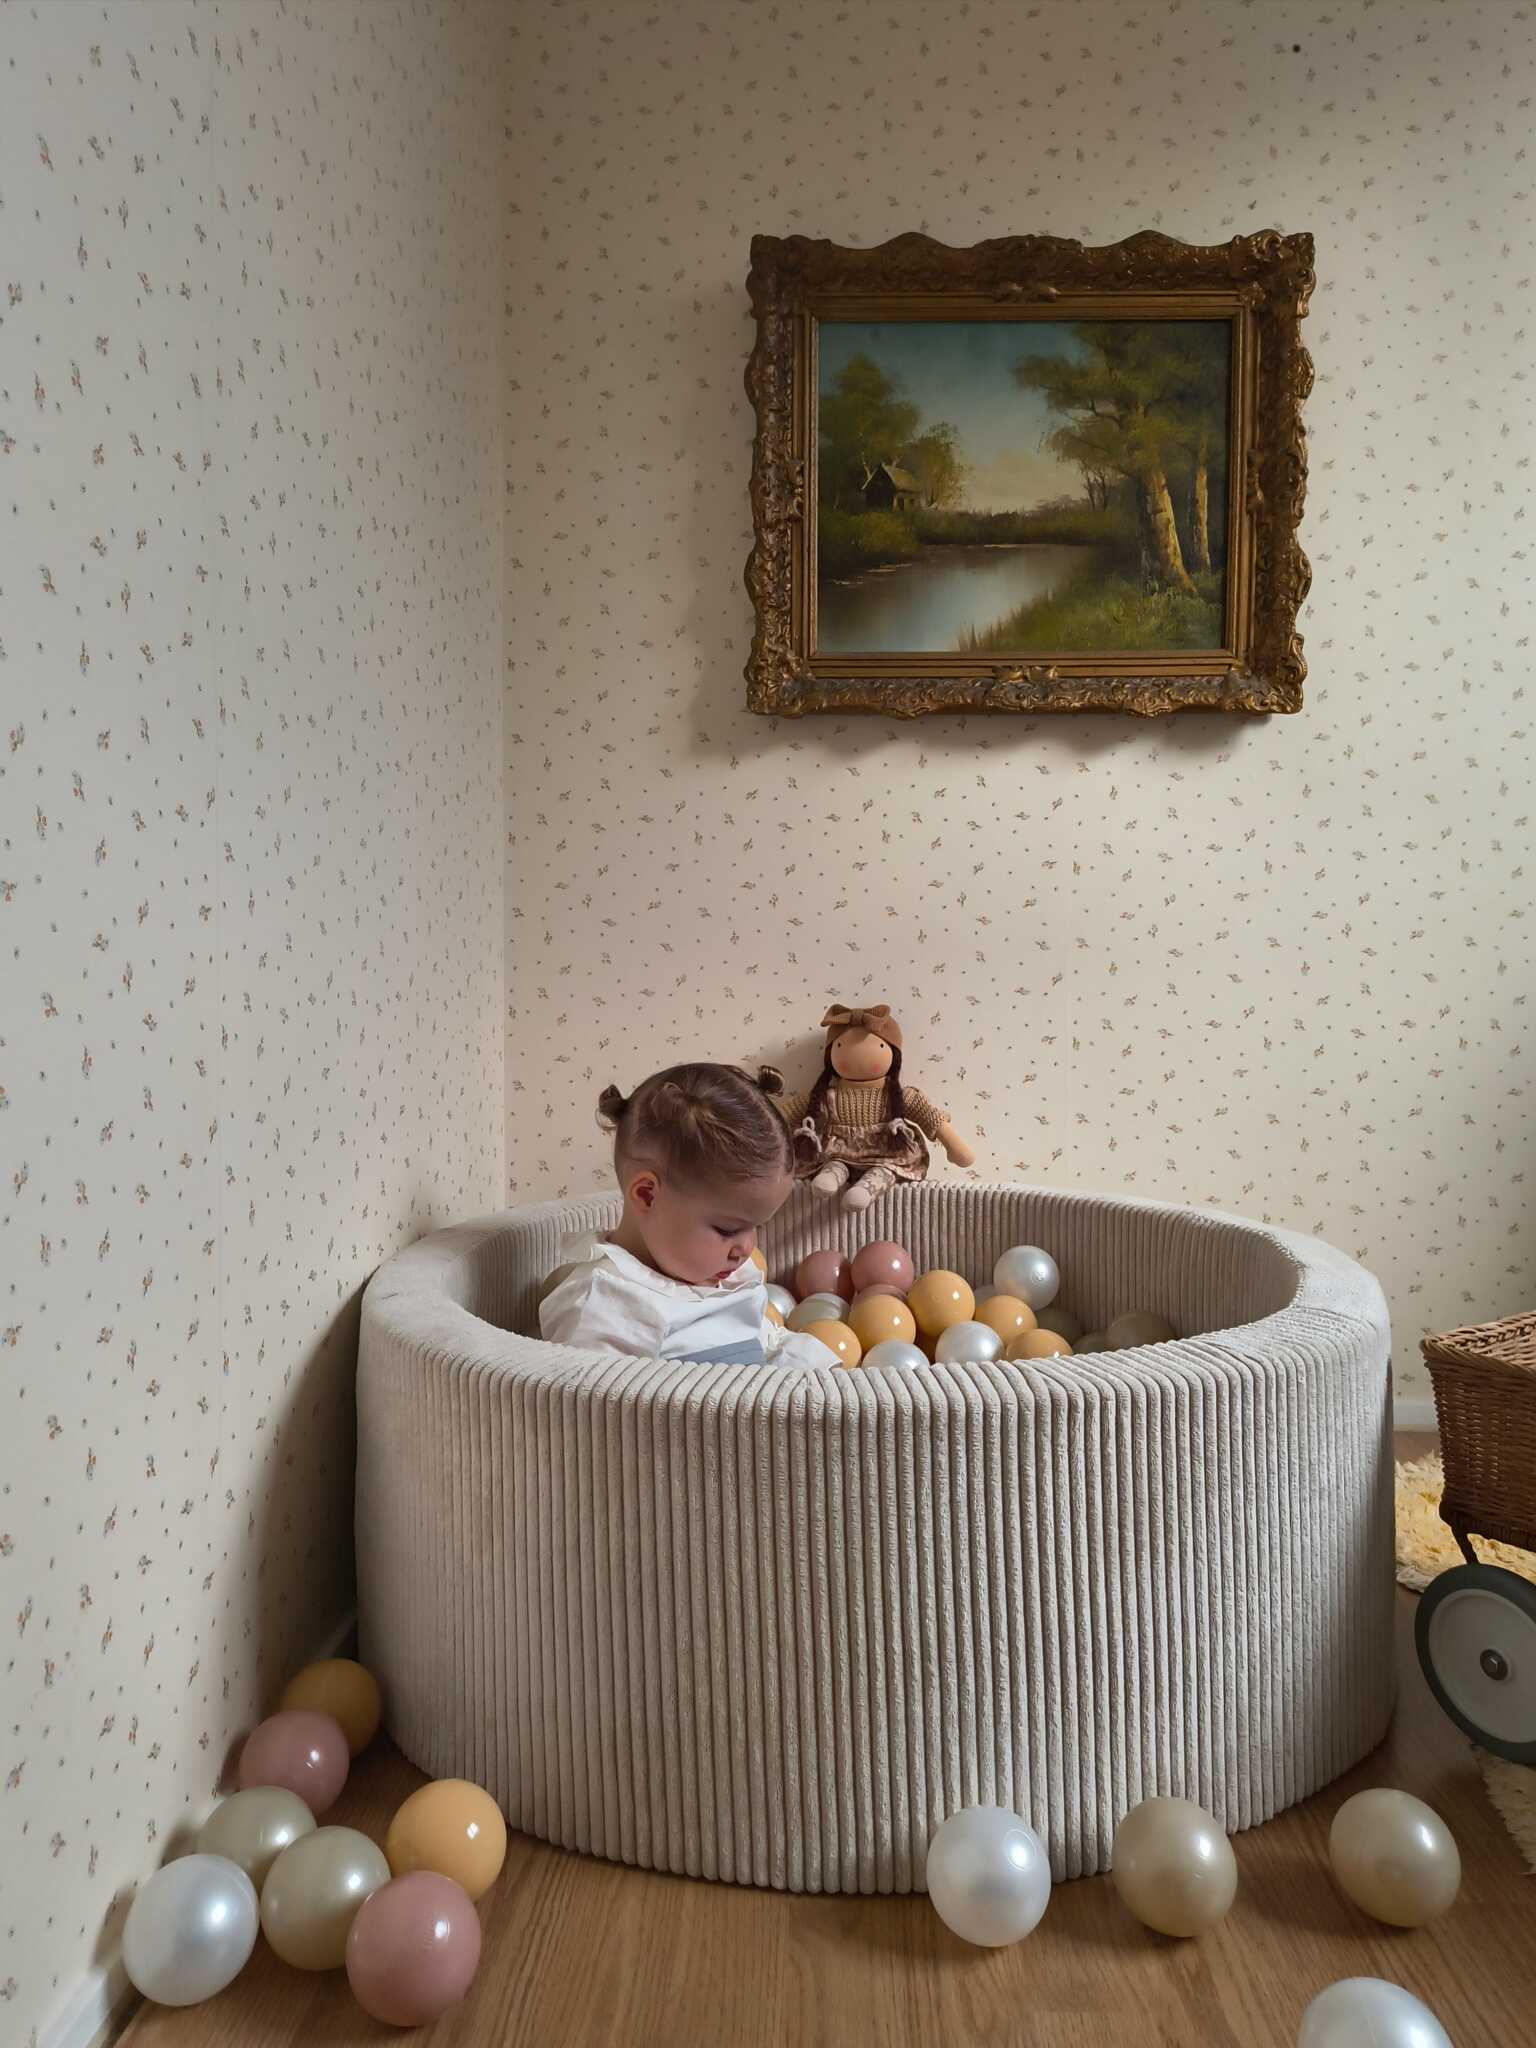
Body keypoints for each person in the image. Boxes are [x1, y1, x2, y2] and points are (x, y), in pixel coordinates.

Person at [539, 1063, 836, 1367]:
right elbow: (587, 1393)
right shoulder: (607, 1303)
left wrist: (825, 1374)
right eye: (728, 1229)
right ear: (648, 1195)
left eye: (756, 1226)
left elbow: (765, 1340)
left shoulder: (729, 1277)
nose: (747, 1248)